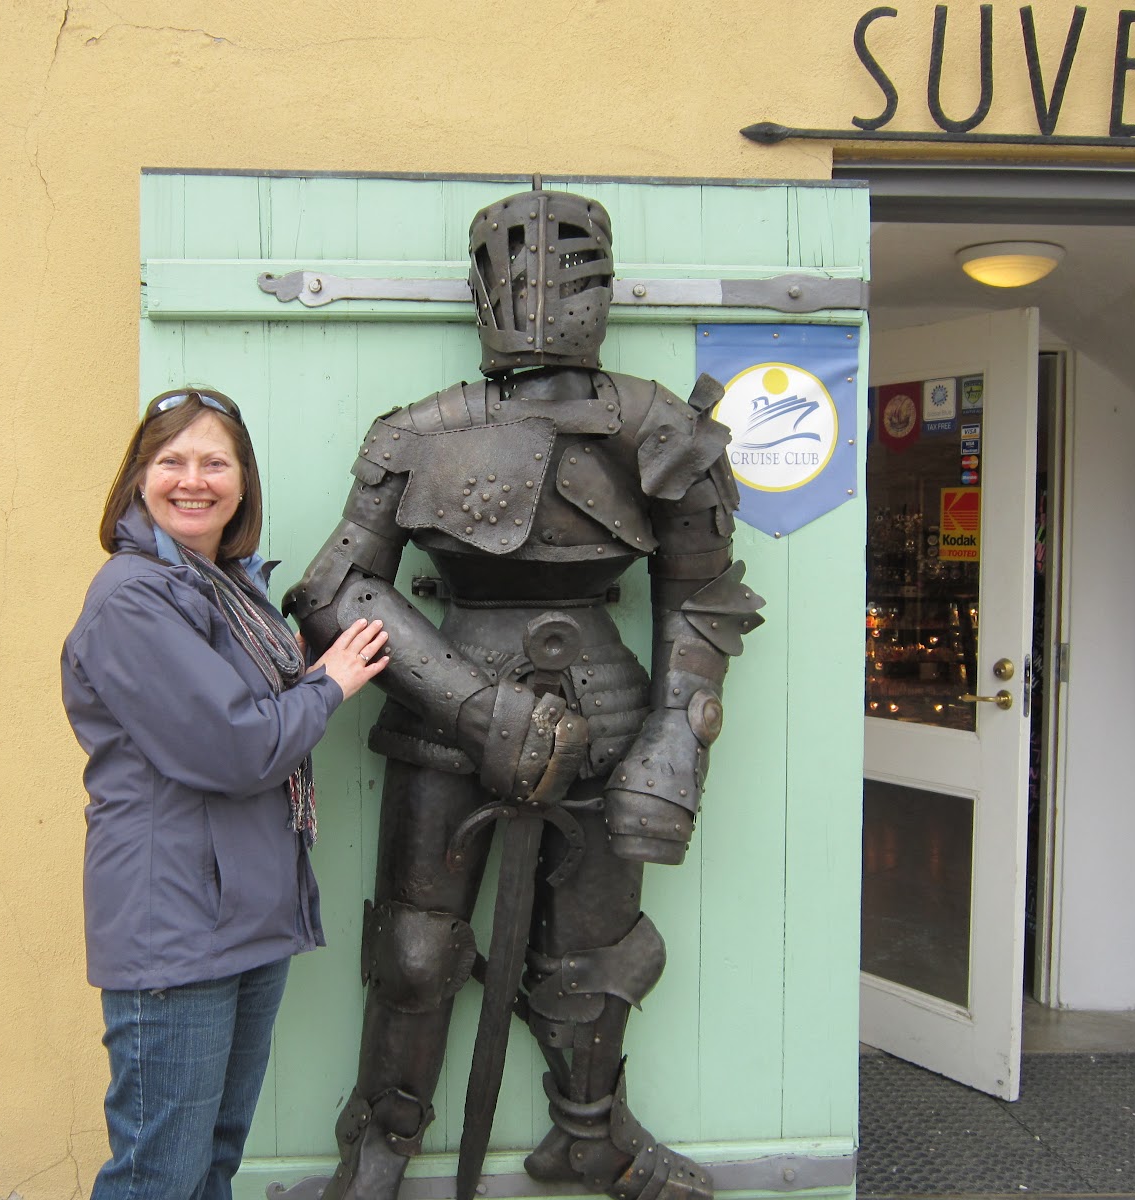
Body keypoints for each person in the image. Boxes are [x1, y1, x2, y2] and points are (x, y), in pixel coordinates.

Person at [283, 187, 764, 1200]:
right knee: (415, 951)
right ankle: (378, 1148)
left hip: (608, 715)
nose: (541, 290)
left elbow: (703, 594)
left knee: (594, 952)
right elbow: (333, 588)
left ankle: (589, 1133)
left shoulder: (659, 425)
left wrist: (677, 734)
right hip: (444, 710)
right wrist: (477, 707)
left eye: (567, 268)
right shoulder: (418, 431)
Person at [62, 386, 389, 1200]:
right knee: (159, 1175)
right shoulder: (133, 597)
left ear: (242, 484)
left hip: (244, 916)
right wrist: (330, 685)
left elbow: (246, 705)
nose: (192, 480)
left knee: (211, 1163)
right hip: (175, 925)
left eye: (215, 463)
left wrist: (302, 672)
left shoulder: (226, 588)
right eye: (170, 461)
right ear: (139, 479)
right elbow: (238, 746)